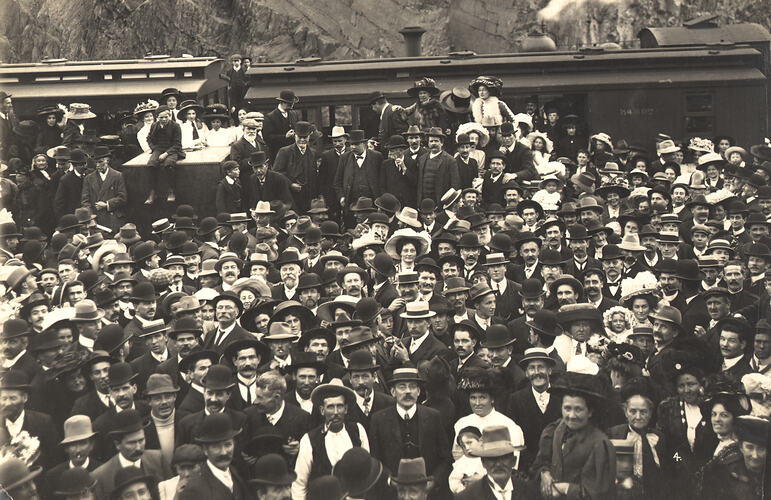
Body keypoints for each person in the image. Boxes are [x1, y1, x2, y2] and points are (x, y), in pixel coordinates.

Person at [532, 372, 616, 500]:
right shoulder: (557, 431)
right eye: (567, 408)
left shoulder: (599, 443)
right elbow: (542, 461)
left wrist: (565, 488)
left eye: (578, 409)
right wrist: (545, 472)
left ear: (590, 412)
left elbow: (600, 493)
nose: (571, 415)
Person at [292, 379, 368, 499]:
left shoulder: (358, 431)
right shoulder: (309, 439)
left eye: (340, 406)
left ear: (346, 409)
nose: (336, 412)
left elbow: (366, 470)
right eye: (331, 407)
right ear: (322, 410)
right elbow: (299, 483)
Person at [177, 413, 250, 500]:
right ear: (205, 450)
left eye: (228, 445)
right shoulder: (193, 489)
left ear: (234, 444)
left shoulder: (235, 474)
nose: (224, 452)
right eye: (216, 447)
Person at [145, 105, 183, 204]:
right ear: (157, 117)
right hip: (158, 149)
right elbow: (148, 138)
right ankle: (153, 192)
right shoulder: (154, 126)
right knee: (151, 165)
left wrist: (166, 154)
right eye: (161, 117)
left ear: (169, 116)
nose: (164, 119)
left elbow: (177, 144)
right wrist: (154, 149)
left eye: (166, 117)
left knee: (168, 165)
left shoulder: (175, 126)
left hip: (172, 150)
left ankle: (171, 190)